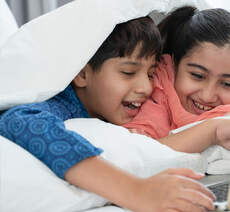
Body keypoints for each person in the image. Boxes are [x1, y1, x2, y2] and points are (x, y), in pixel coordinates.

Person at [0, 16, 216, 212]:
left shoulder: (126, 106)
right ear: (82, 74)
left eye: (150, 74)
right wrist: (136, 191)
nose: (145, 88)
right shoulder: (61, 102)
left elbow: (154, 146)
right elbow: (19, 119)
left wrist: (214, 130)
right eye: (128, 72)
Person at [124, 6, 230, 153]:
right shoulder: (156, 92)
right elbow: (141, 156)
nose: (207, 96)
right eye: (198, 76)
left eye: (228, 84)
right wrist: (212, 132)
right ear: (175, 64)